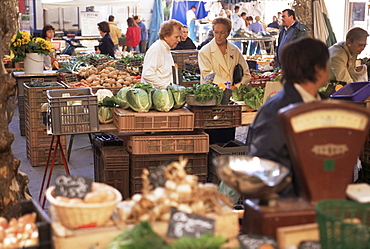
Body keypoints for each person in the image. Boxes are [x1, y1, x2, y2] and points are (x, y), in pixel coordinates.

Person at [246, 37, 330, 197]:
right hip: (290, 206)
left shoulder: (322, 101)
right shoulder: (275, 111)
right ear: (319, 68)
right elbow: (266, 169)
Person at [198, 17, 251, 144]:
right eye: (216, 32)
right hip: (213, 100)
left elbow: (246, 73)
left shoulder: (235, 50)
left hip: (231, 101)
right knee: (214, 136)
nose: (219, 36)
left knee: (228, 136)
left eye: (222, 32)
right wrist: (226, 86)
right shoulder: (204, 52)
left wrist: (237, 87)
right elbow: (208, 75)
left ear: (228, 33)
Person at [142, 19, 182, 89]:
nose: (179, 40)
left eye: (179, 37)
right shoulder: (156, 49)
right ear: (166, 36)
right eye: (176, 37)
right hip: (158, 95)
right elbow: (148, 74)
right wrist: (166, 87)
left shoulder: (166, 48)